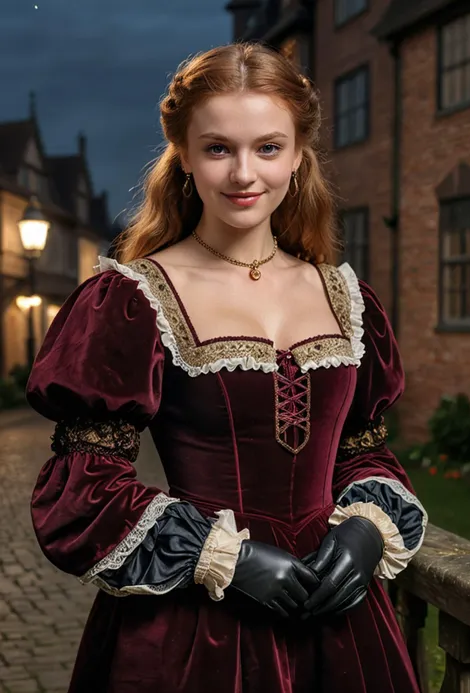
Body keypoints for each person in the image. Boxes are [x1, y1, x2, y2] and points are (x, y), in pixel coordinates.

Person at [26, 42, 428, 693]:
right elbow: (83, 486)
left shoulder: (346, 297)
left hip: (340, 622)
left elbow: (363, 450)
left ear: (299, 155)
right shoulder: (135, 298)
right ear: (184, 154)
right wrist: (230, 559)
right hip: (196, 632)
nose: (245, 173)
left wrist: (362, 532)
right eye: (219, 148)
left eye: (268, 147)